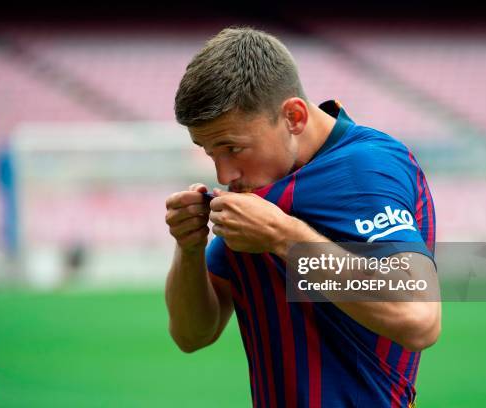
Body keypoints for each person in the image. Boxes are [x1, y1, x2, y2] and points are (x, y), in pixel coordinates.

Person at [164, 27, 440, 407]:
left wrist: (284, 238)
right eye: (209, 151)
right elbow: (193, 334)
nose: (223, 175)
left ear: (293, 116)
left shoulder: (364, 168)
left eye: (232, 148)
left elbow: (418, 317)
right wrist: (189, 248)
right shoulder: (262, 186)